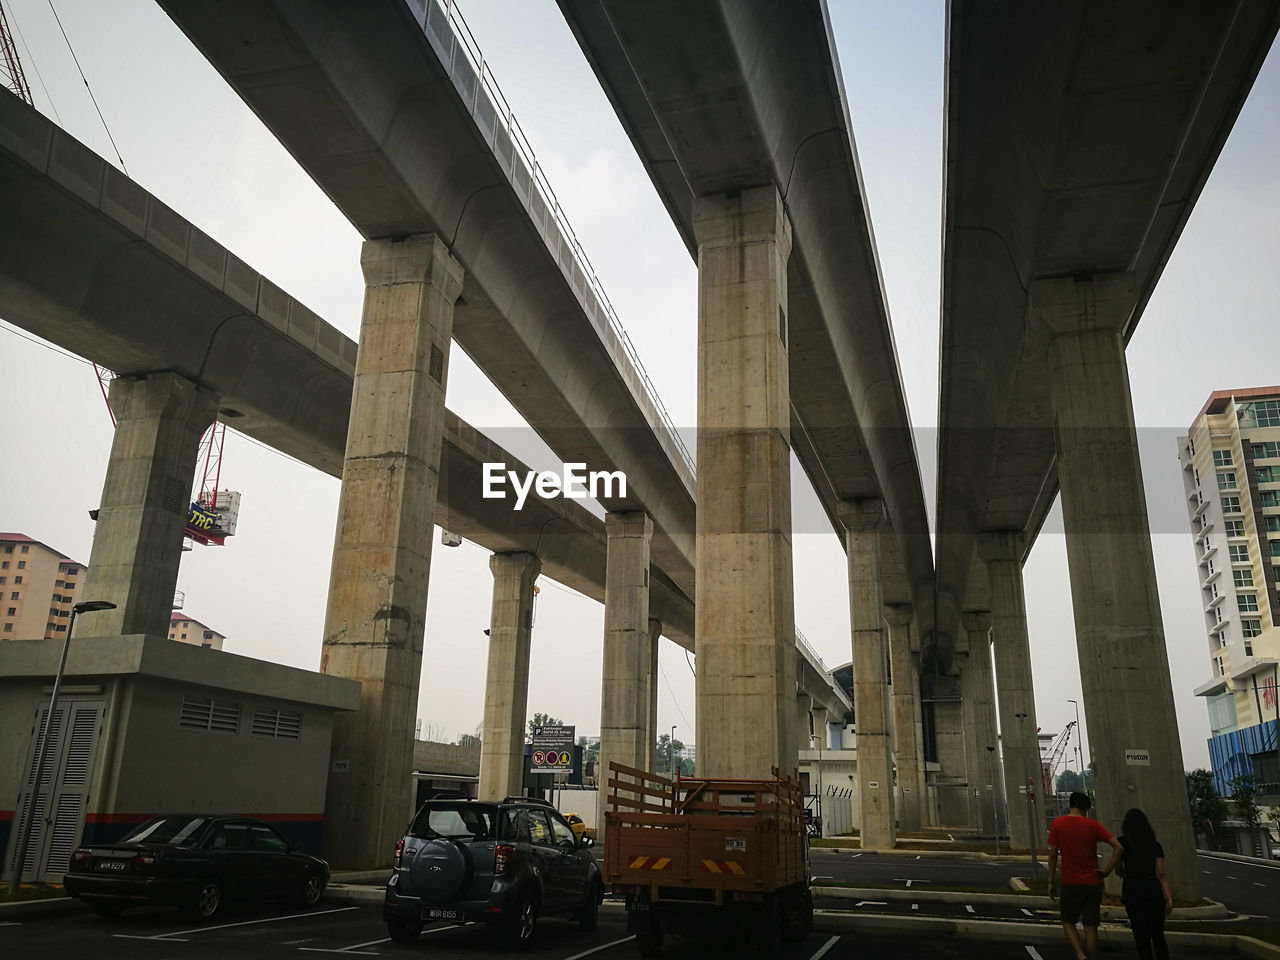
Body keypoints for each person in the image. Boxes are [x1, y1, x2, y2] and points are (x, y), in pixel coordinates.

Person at [1047, 791, 1123, 960]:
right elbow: (1119, 847)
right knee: (1091, 926)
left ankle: (1080, 955)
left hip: (1070, 881)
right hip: (1093, 882)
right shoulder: (1093, 826)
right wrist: (1107, 871)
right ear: (1087, 808)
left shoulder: (1057, 824)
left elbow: (1052, 854)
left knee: (1067, 921)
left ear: (1070, 805)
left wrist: (1051, 881)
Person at [1099, 808, 1173, 960]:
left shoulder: (1123, 842)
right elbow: (1161, 873)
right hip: (1153, 888)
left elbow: (1118, 870)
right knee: (1158, 935)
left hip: (1133, 888)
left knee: (1141, 936)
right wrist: (1168, 897)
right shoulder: (1155, 845)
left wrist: (1115, 871)